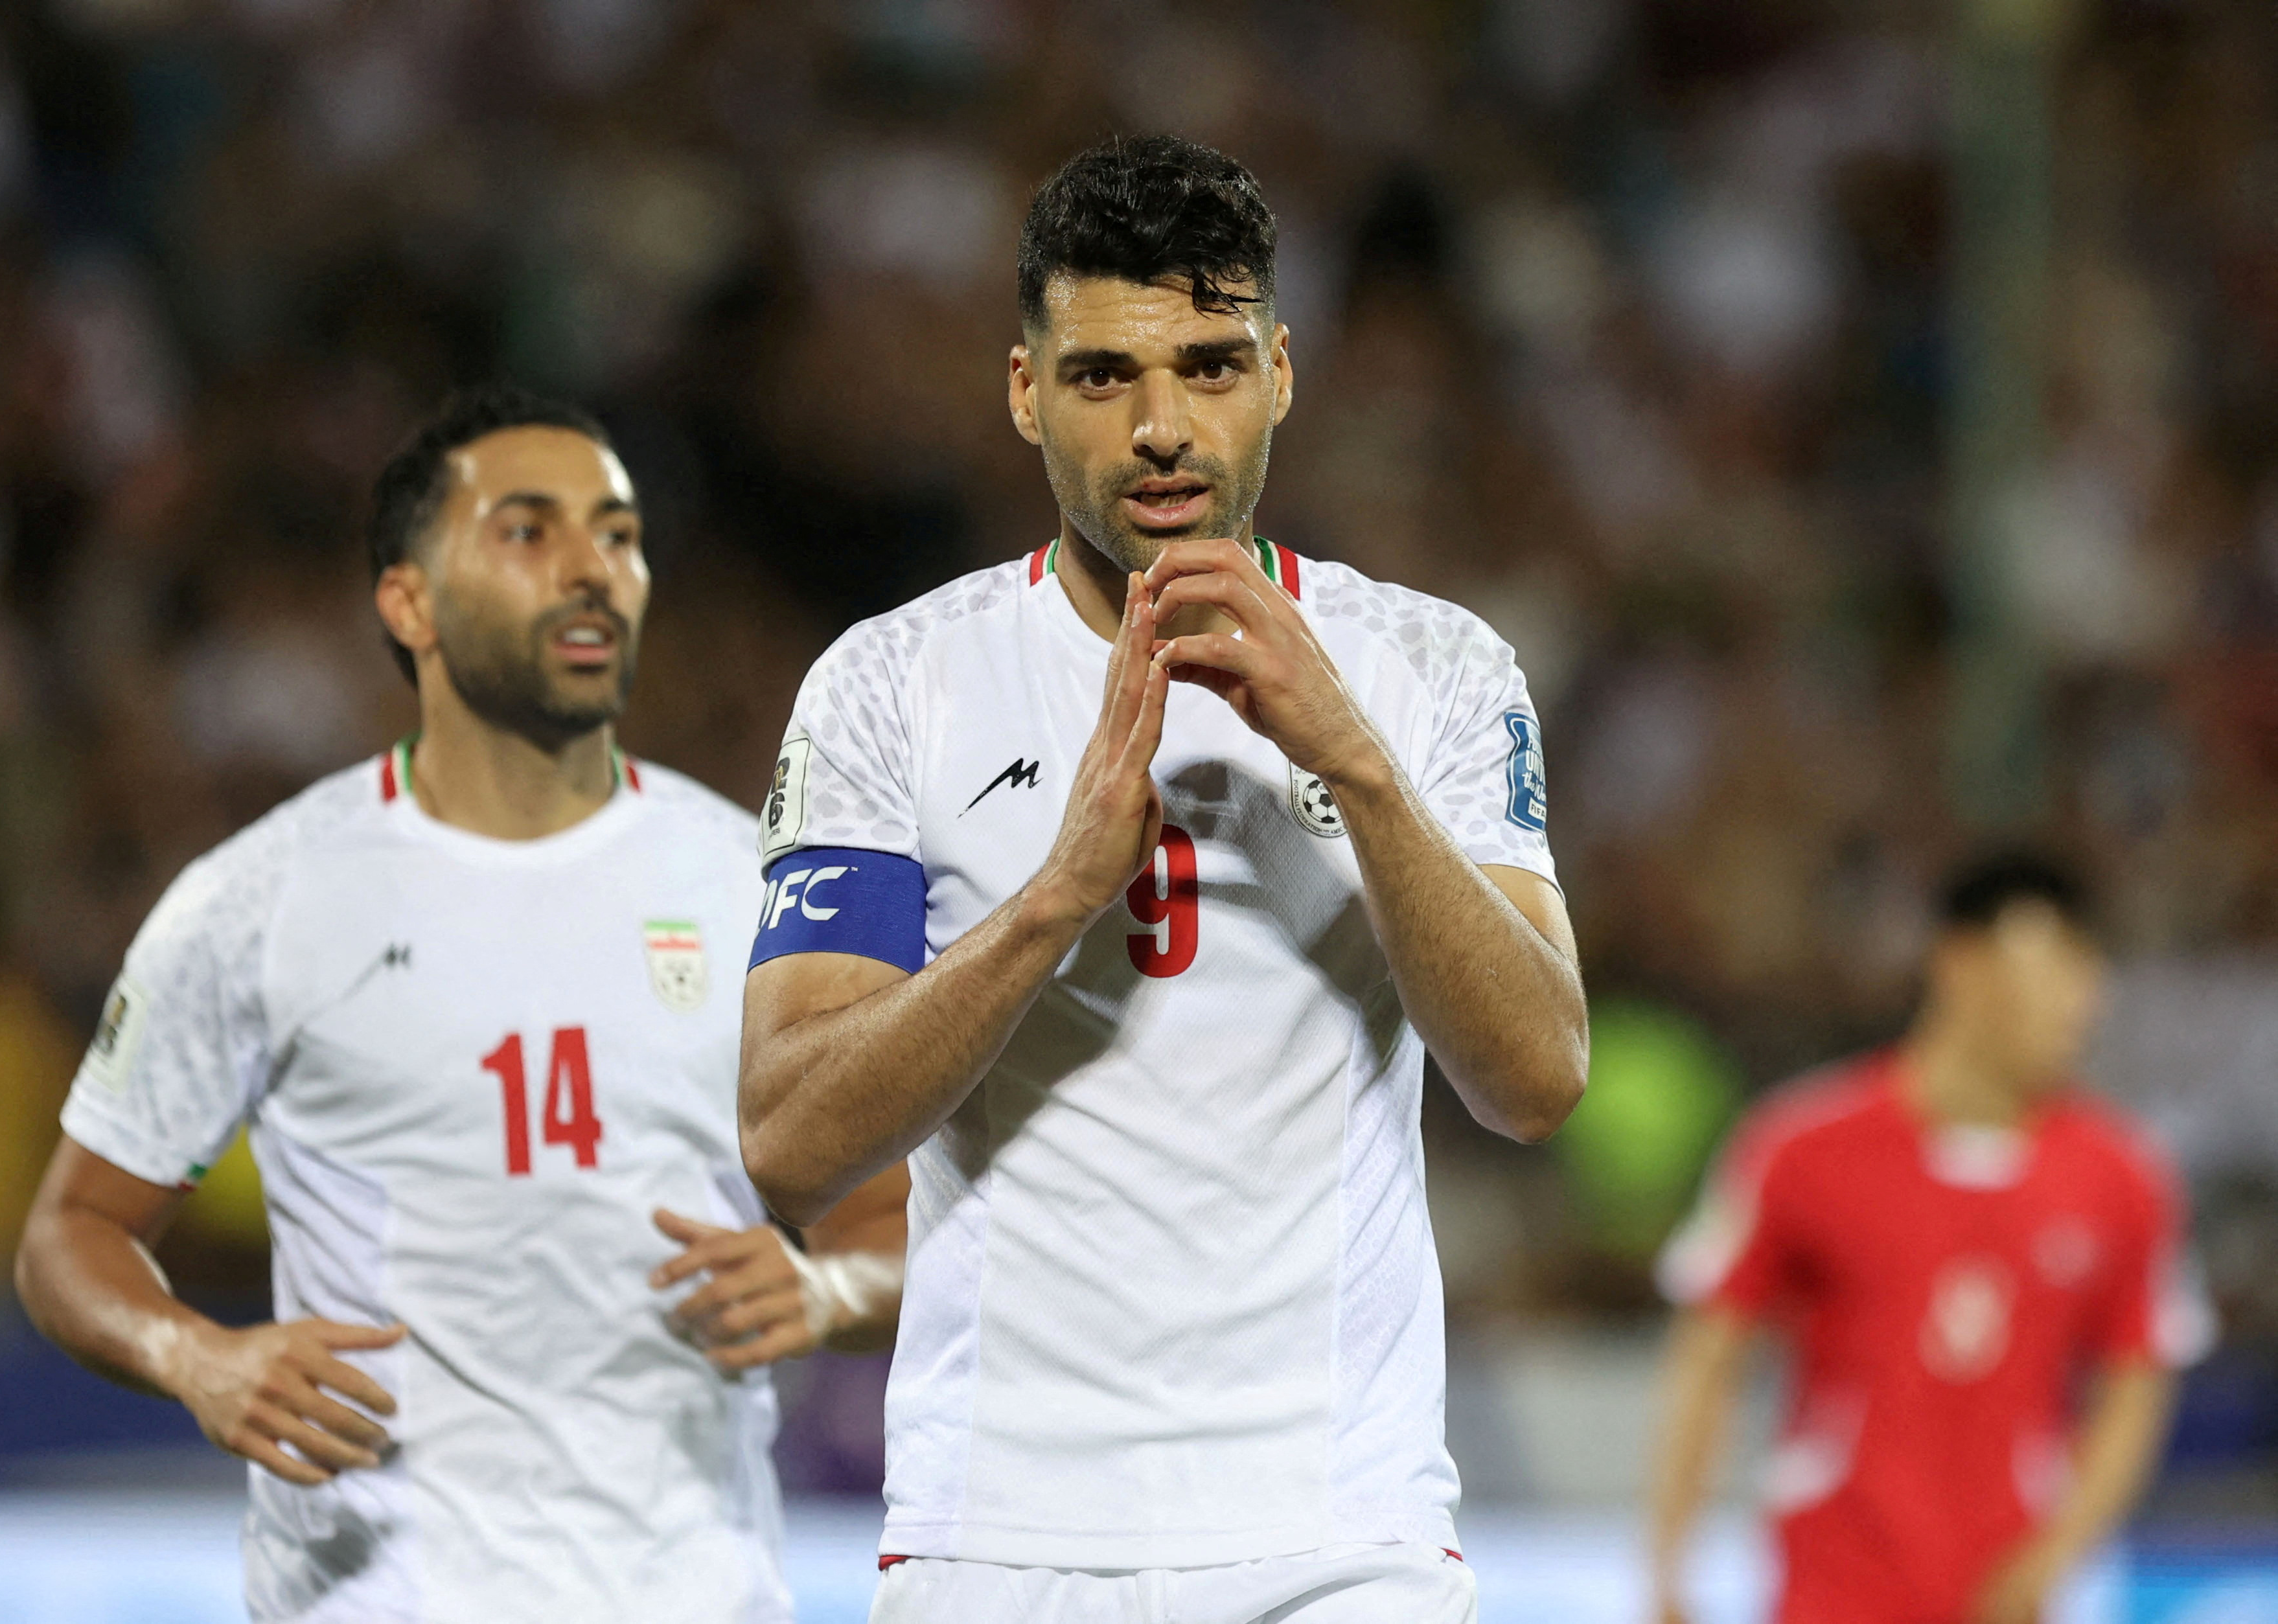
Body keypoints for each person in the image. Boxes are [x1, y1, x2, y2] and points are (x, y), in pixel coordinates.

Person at [735, 135, 1589, 1623]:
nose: (1162, 428)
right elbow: (793, 1140)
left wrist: (1360, 772)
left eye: (1207, 366)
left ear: (1280, 374)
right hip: (997, 1540)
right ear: (1022, 391)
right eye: (1102, 377)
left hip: (1340, 1537)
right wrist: (1054, 898)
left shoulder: (1435, 670)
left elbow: (1534, 1077)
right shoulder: (894, 685)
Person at [16, 385, 908, 1624]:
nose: (593, 569)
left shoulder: (751, 892)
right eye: (529, 532)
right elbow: (70, 1236)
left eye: (617, 533)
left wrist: (821, 1294)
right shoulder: (261, 900)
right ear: (408, 600)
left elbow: (897, 1238)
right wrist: (197, 1357)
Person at [1648, 852, 2214, 1624]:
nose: (2075, 1003)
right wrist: (1668, 1566)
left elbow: (2136, 1383)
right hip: (1832, 1589)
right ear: (1958, 964)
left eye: (2086, 975)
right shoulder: (1798, 1147)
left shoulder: (2122, 1178)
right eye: (2047, 968)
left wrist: (2054, 1552)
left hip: (2008, 1596)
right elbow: (1708, 1356)